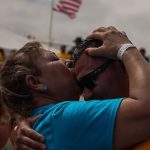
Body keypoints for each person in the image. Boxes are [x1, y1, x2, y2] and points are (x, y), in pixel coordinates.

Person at [2, 26, 150, 150]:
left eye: (88, 81)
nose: (67, 62)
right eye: (54, 59)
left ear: (122, 67)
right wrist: (126, 49)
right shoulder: (60, 117)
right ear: (35, 82)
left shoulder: (48, 122)